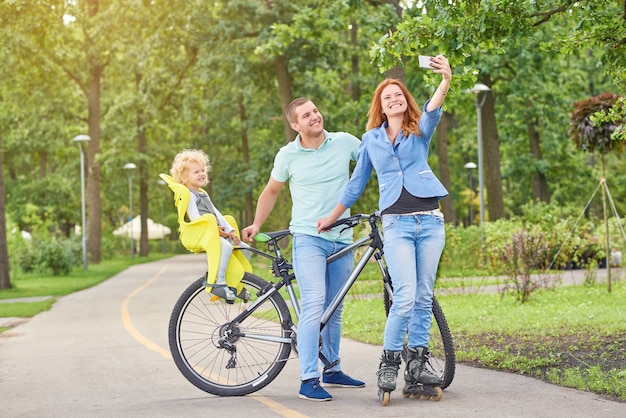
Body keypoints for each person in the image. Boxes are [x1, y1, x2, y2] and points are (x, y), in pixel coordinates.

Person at [317, 55, 452, 396]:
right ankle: (389, 362)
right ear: (380, 105)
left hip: (430, 221)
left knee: (423, 295)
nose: (394, 99)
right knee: (405, 294)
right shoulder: (371, 140)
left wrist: (445, 79)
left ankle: (418, 362)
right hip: (396, 224)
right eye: (387, 96)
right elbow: (356, 184)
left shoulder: (419, 130)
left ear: (406, 103)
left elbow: (433, 108)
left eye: (399, 95)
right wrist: (332, 217)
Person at [241, 98, 365, 401]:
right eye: (306, 115)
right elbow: (271, 191)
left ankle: (332, 368)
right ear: (295, 125)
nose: (314, 116)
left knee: (334, 309)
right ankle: (308, 378)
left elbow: (375, 161)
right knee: (314, 303)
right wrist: (256, 224)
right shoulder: (288, 155)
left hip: (342, 238)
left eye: (315, 111)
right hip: (308, 238)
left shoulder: (345, 142)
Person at [170, 149, 250, 303]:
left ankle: (236, 283)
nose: (201, 174)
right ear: (184, 177)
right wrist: (215, 231)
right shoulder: (188, 195)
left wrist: (230, 230)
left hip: (214, 231)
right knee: (225, 247)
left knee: (244, 248)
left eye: (202, 170)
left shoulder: (203, 194)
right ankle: (218, 283)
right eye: (196, 172)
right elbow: (196, 218)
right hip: (203, 233)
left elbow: (217, 214)